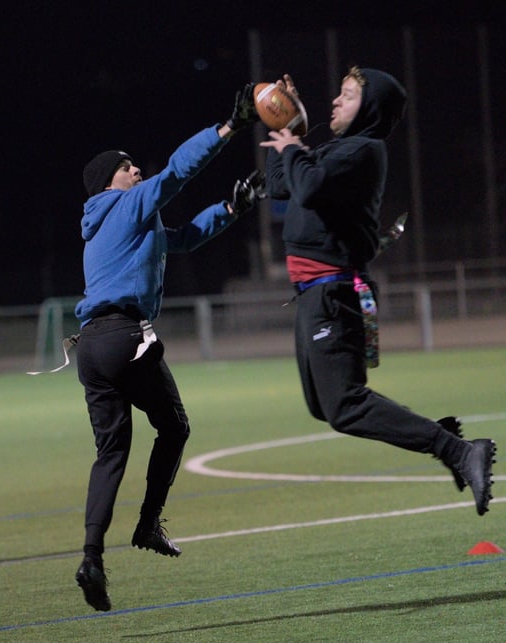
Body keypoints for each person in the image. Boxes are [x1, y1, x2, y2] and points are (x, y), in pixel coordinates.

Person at [260, 66, 496, 516]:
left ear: (369, 109)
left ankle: (456, 449)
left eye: (347, 96)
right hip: (315, 293)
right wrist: (286, 127)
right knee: (324, 405)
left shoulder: (364, 150)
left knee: (345, 405)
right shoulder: (338, 150)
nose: (334, 101)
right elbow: (280, 185)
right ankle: (444, 440)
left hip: (333, 293)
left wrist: (293, 148)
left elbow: (306, 188)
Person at [73, 85, 266, 611]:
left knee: (110, 453)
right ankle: (147, 524)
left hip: (90, 347)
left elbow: (181, 238)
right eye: (127, 166)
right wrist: (229, 126)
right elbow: (178, 172)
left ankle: (91, 558)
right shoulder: (127, 203)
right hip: (123, 338)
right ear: (109, 181)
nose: (137, 171)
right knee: (175, 426)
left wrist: (231, 206)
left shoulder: (109, 223)